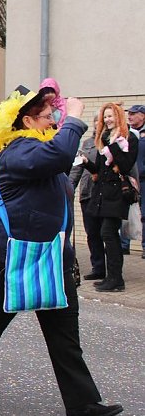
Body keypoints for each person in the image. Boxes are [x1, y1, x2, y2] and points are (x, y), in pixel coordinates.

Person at [0, 85, 123, 416]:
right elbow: (59, 155)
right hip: (8, 257)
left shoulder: (38, 148)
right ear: (26, 121)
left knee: (63, 329)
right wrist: (75, 118)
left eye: (55, 115)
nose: (53, 121)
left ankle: (82, 403)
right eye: (47, 116)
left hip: (49, 255)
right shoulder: (19, 150)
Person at [80, 102, 139, 292]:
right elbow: (99, 170)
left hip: (118, 193)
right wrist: (86, 162)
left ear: (118, 116)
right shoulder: (103, 138)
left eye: (110, 116)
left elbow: (126, 165)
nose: (107, 120)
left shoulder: (128, 138)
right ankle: (111, 277)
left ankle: (116, 279)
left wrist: (112, 145)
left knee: (108, 233)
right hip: (102, 194)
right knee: (104, 234)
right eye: (105, 117)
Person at [69, 116, 104, 280]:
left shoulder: (114, 142)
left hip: (106, 194)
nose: (98, 126)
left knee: (107, 233)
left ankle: (113, 272)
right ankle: (98, 267)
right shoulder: (87, 143)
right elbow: (77, 168)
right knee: (92, 233)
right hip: (87, 193)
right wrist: (69, 187)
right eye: (96, 123)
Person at [127, 104, 145, 258]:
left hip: (144, 180)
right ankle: (123, 245)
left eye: (133, 114)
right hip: (129, 179)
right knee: (125, 212)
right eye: (129, 113)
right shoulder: (126, 132)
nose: (130, 116)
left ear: (142, 116)